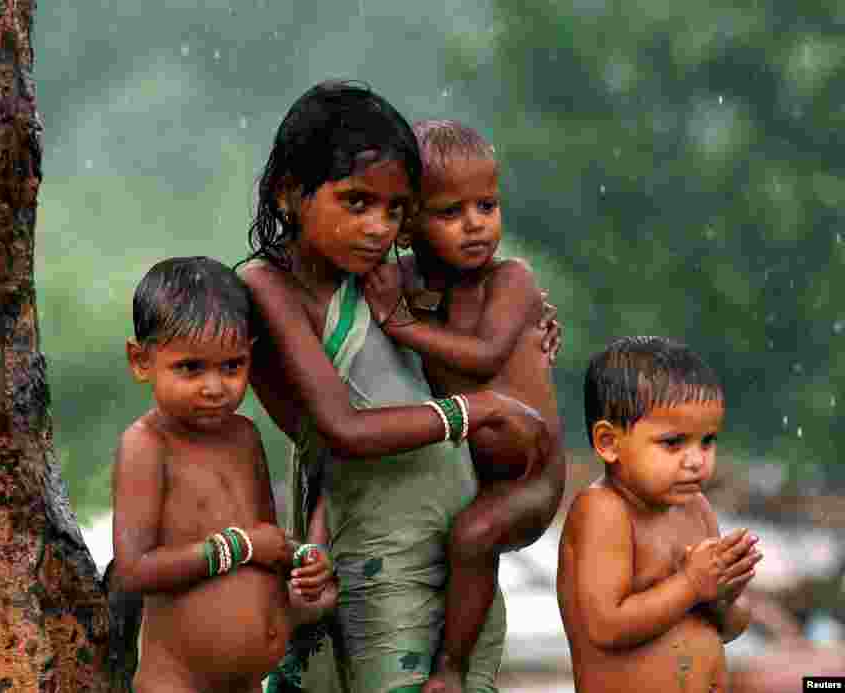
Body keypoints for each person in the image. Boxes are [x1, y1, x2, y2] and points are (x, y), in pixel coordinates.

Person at [239, 81, 552, 693]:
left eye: (392, 210)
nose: (377, 226)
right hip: (377, 562)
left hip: (461, 560)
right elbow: (344, 429)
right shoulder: (265, 287)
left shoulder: (388, 279)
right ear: (289, 194)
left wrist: (523, 324)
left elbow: (477, 321)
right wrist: (477, 409)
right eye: (356, 203)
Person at [361, 119, 566, 693]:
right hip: (465, 469)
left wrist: (400, 325)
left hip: (530, 475)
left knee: (474, 539)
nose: (476, 225)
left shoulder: (512, 280)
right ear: (407, 227)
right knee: (456, 541)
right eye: (450, 213)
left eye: (488, 205)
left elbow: (481, 356)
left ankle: (450, 669)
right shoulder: (399, 278)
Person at [111, 256, 337, 693]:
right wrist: (240, 546)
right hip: (177, 682)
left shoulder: (245, 437)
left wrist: (303, 562)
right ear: (141, 361)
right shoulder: (148, 444)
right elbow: (133, 570)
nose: (214, 387)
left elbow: (265, 544)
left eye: (231, 366)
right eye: (190, 368)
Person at [557, 336, 762, 693]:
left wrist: (723, 597)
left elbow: (729, 627)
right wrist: (691, 585)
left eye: (707, 441)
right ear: (609, 442)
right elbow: (605, 626)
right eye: (673, 443)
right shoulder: (604, 510)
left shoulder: (696, 507)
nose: (696, 460)